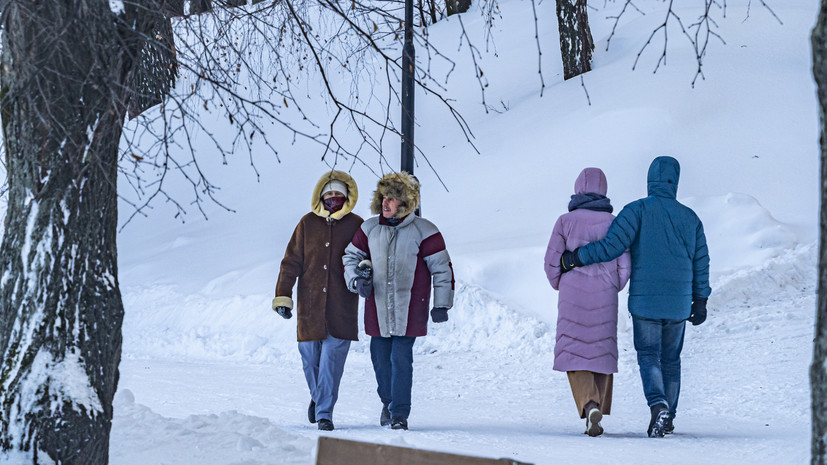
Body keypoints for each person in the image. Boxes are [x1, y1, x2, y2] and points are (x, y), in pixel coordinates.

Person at [560, 156, 711, 438]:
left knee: (649, 356)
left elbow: (611, 247)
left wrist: (577, 257)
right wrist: (700, 298)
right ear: (675, 181)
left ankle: (659, 406)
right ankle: (669, 415)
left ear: (650, 179)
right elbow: (701, 261)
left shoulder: (637, 211)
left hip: (645, 303)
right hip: (678, 303)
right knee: (671, 360)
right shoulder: (690, 218)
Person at [343, 172, 454, 431]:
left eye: (392, 198)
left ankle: (399, 414)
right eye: (384, 197)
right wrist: (357, 280)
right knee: (380, 359)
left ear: (405, 203)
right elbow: (350, 258)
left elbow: (442, 268)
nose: (386, 202)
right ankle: (388, 401)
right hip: (377, 308)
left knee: (401, 358)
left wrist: (441, 303)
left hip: (410, 308)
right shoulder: (369, 228)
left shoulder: (425, 230)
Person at [272, 170, 363, 431]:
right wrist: (283, 295)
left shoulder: (357, 224)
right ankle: (318, 397)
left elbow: (365, 256)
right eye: (329, 193)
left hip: (342, 306)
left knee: (331, 364)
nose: (333, 198)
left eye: (338, 194)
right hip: (309, 306)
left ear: (347, 198)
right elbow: (291, 262)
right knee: (310, 360)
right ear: (320, 196)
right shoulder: (306, 223)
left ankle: (325, 413)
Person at [544, 167, 631, 437]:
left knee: (574, 352)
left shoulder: (564, 221)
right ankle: (597, 407)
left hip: (572, 293)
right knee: (601, 352)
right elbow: (625, 264)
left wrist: (560, 281)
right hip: (604, 293)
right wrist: (613, 285)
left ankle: (588, 403)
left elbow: (551, 261)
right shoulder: (615, 222)